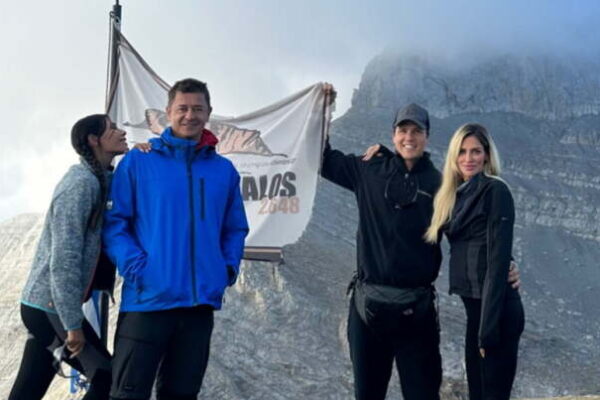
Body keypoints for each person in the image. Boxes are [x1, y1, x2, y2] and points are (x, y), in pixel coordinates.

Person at [102, 78, 249, 400]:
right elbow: (115, 224)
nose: (190, 115)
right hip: (147, 302)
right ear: (168, 112)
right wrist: (137, 268)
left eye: (197, 108)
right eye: (182, 108)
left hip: (198, 308)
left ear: (208, 112)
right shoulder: (139, 162)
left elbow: (234, 228)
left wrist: (225, 269)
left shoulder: (224, 170)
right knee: (126, 395)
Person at [321, 100, 443, 400]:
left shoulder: (440, 185)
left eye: (417, 131)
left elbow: (468, 230)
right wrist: (322, 111)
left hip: (417, 313)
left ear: (427, 137)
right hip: (368, 309)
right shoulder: (369, 170)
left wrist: (506, 261)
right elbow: (323, 159)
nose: (409, 137)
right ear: (393, 134)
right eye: (403, 130)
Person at [10, 114, 128, 400]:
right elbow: (64, 258)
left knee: (28, 391)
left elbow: (121, 186)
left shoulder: (97, 179)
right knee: (106, 377)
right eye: (112, 129)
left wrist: (150, 151)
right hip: (50, 307)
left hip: (47, 306)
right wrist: (72, 325)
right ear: (94, 139)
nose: (122, 132)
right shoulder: (80, 185)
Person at [424, 123, 524, 400]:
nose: (468, 158)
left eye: (476, 151)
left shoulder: (495, 191)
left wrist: (487, 333)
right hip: (476, 314)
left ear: (487, 155)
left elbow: (497, 260)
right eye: (462, 151)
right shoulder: (454, 197)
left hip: (497, 314)